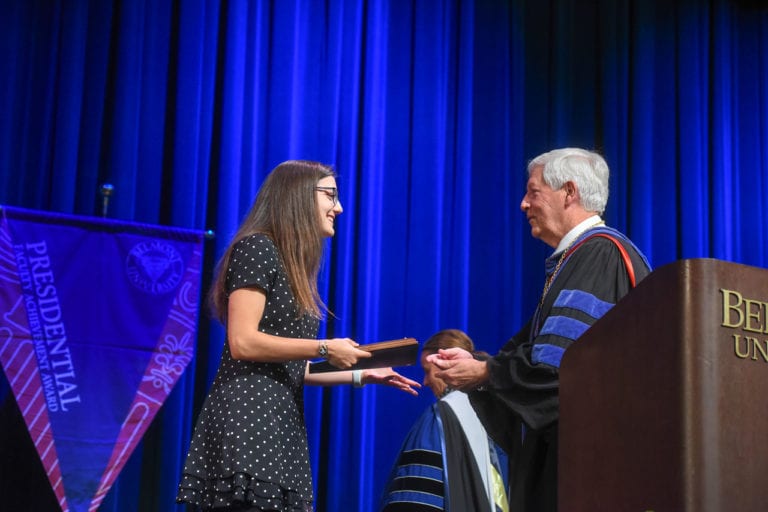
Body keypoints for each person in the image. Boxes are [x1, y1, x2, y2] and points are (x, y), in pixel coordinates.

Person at [177, 160, 420, 512]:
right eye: (331, 195)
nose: (338, 207)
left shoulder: (293, 266)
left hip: (280, 423)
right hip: (249, 419)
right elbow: (242, 342)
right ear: (298, 196)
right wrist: (324, 346)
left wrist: (362, 374)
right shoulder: (257, 248)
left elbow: (297, 368)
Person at [428, 148, 652, 512]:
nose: (522, 204)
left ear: (569, 192)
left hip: (590, 469)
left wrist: (485, 371)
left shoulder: (599, 254)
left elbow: (557, 370)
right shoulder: (576, 259)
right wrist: (479, 365)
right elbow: (536, 350)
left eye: (533, 192)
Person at [380, 329, 509, 512]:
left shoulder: (441, 418)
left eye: (427, 370)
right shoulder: (501, 410)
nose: (425, 381)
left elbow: (416, 501)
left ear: (446, 362)